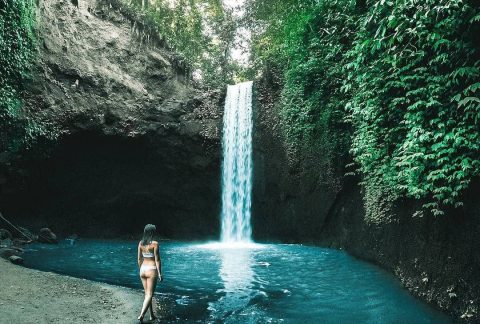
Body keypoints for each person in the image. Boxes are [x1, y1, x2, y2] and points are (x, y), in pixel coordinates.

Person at [137, 224, 163, 322]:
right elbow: (157, 260)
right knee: (149, 294)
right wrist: (160, 274)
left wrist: (141, 269)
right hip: (151, 269)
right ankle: (142, 315)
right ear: (152, 232)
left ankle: (152, 315)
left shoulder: (141, 243)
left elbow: (139, 259)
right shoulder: (155, 244)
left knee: (147, 294)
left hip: (143, 269)